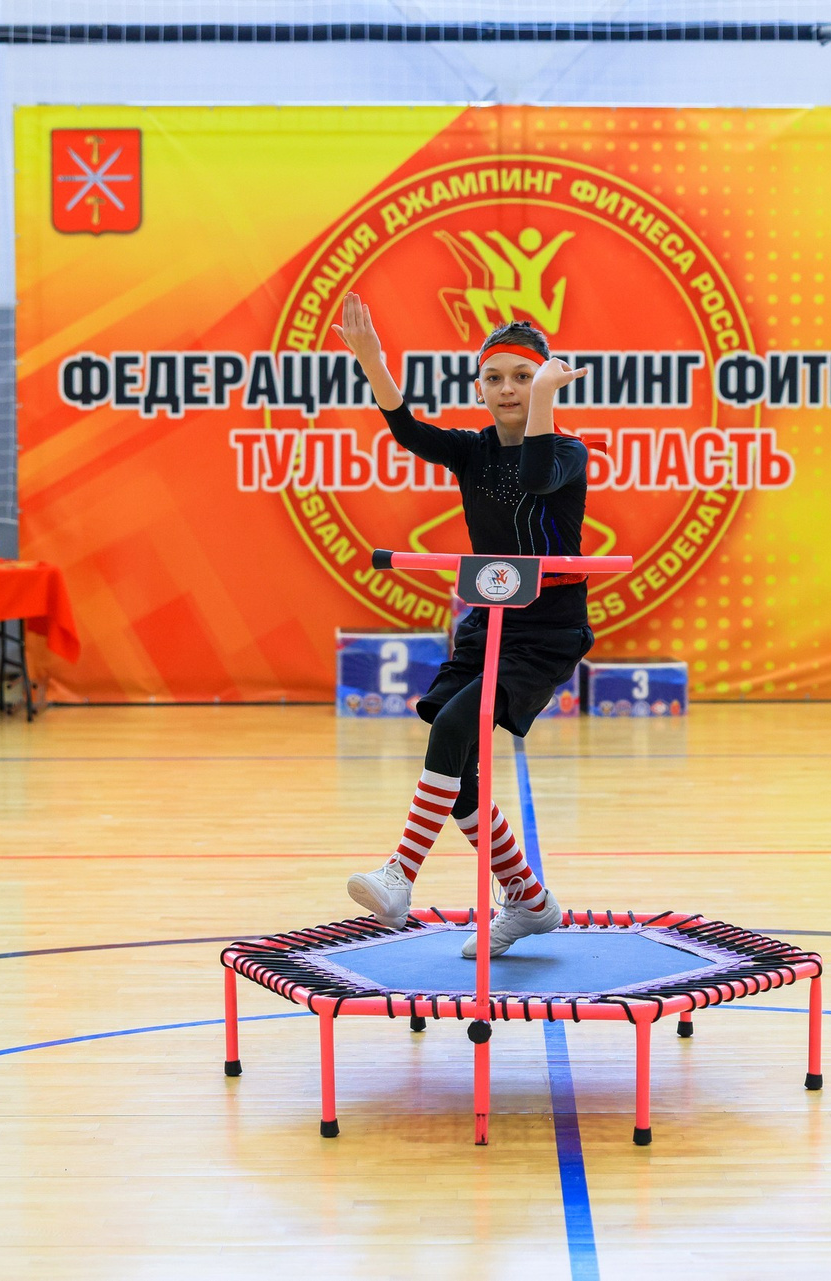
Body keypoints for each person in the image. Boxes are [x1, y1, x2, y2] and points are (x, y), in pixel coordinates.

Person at [332, 290, 592, 958]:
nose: (508, 389)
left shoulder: (567, 452)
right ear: (479, 388)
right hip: (487, 624)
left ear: (543, 381)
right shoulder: (472, 451)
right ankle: (529, 900)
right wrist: (373, 362)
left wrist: (543, 398)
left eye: (523, 377)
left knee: (455, 728)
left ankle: (399, 875)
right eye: (495, 377)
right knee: (458, 773)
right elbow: (409, 432)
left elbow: (536, 476)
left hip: (545, 634)